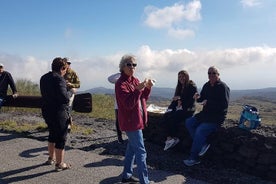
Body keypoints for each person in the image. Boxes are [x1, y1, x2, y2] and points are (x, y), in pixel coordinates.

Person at [115, 54, 154, 184]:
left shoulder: (135, 80)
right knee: (141, 152)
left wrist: (147, 88)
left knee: (132, 149)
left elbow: (143, 98)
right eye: (129, 64)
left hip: (138, 120)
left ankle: (126, 176)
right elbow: (128, 104)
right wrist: (138, 90)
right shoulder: (121, 83)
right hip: (131, 122)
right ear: (122, 67)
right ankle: (145, 181)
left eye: (134, 65)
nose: (132, 67)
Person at [183, 66, 230, 166]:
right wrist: (198, 98)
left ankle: (193, 158)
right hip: (205, 115)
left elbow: (224, 105)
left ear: (218, 75)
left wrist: (209, 102)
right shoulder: (206, 85)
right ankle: (203, 144)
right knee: (189, 122)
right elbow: (202, 99)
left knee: (200, 130)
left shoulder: (223, 87)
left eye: (214, 73)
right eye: (209, 73)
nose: (211, 75)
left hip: (216, 118)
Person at [40, 57, 75, 171]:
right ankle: (60, 164)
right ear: (62, 68)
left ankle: (51, 158)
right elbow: (64, 98)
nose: (65, 72)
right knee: (61, 138)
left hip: (47, 111)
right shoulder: (59, 79)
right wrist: (71, 92)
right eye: (65, 69)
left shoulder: (44, 78)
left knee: (52, 134)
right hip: (59, 113)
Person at [163, 70, 197, 151]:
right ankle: (169, 138)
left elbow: (191, 101)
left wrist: (180, 98)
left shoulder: (192, 86)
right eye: (179, 77)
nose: (181, 78)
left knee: (174, 117)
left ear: (187, 76)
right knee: (166, 115)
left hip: (188, 110)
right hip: (180, 108)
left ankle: (174, 138)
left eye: (183, 76)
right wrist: (169, 108)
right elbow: (174, 100)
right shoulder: (179, 86)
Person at [108, 72, 124, 143]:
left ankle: (129, 136)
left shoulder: (130, 77)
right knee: (118, 121)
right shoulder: (119, 77)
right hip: (118, 105)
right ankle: (119, 137)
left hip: (127, 104)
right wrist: (119, 73)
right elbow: (109, 79)